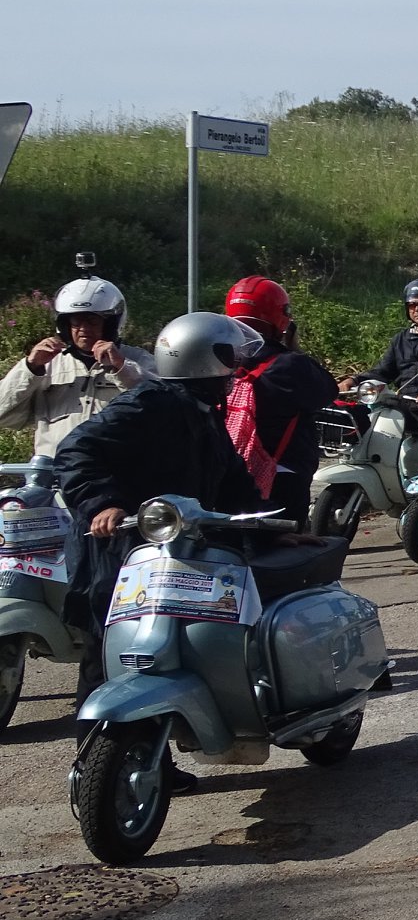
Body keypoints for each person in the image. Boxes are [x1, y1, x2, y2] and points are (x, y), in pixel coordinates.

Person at [55, 312, 269, 763]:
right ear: (202, 357)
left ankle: (153, 762)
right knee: (108, 658)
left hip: (167, 552)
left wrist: (269, 529)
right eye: (227, 358)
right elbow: (77, 449)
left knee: (164, 653)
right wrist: (103, 503)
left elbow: (233, 480)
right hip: (116, 551)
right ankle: (97, 768)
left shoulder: (202, 411)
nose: (233, 370)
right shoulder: (151, 404)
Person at [0, 269, 154, 456]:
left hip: (115, 470)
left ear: (110, 325)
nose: (83, 329)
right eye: (76, 321)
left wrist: (122, 367)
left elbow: (164, 407)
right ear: (65, 326)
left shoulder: (139, 360)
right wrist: (30, 367)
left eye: (92, 321)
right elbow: (3, 414)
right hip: (56, 471)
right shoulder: (48, 365)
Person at [223, 276, 337, 518]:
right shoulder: (290, 366)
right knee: (283, 540)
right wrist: (293, 346)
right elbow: (327, 391)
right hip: (281, 476)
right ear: (281, 317)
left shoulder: (219, 360)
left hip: (226, 474)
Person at [340, 277, 418, 447]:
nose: (417, 310)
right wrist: (354, 380)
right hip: (404, 403)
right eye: (412, 305)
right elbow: (384, 371)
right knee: (367, 432)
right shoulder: (401, 339)